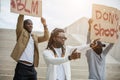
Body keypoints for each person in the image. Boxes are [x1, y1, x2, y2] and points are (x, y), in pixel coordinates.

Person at [11, 14, 49, 80]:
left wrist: (44, 25)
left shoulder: (34, 37)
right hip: (22, 67)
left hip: (31, 68)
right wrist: (22, 13)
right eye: (28, 24)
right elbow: (20, 21)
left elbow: (46, 37)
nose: (31, 25)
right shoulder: (21, 33)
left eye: (32, 24)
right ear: (24, 26)